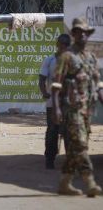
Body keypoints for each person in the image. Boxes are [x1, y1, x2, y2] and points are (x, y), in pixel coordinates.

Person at [52, 18, 103, 197]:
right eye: (79, 32)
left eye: (85, 32)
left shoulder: (90, 58)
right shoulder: (66, 57)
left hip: (87, 109)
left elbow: (98, 85)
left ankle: (65, 183)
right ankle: (90, 182)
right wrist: (57, 109)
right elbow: (56, 85)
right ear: (73, 34)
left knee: (76, 148)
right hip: (72, 109)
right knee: (80, 145)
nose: (82, 35)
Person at [38, 33, 71, 169]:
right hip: (53, 102)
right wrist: (44, 92)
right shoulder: (50, 60)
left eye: (65, 44)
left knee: (69, 133)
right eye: (61, 44)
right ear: (57, 44)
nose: (62, 46)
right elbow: (42, 78)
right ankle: (49, 159)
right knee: (52, 131)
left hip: (69, 103)